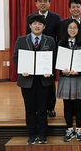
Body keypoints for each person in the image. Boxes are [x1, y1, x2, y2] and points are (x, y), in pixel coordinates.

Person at [13, 14, 57, 145]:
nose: (37, 26)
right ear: (30, 25)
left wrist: (49, 71)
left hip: (44, 80)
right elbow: (16, 57)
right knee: (30, 108)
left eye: (40, 24)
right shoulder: (21, 40)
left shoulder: (50, 40)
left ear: (44, 26)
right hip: (27, 80)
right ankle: (32, 134)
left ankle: (42, 134)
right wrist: (22, 69)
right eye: (34, 23)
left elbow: (54, 59)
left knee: (43, 108)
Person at [26, 0, 60, 117]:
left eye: (45, 1)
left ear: (49, 3)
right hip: (33, 56)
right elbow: (26, 37)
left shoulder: (56, 17)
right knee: (35, 83)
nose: (42, 3)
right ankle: (37, 107)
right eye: (40, 1)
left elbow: (59, 37)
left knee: (49, 83)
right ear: (36, 3)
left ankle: (50, 107)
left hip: (48, 56)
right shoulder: (31, 17)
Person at [58, 0, 81, 118]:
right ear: (69, 9)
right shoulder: (63, 23)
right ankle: (69, 110)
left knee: (79, 88)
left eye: (78, 7)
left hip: (80, 61)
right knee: (68, 89)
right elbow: (61, 42)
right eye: (73, 7)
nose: (76, 9)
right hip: (66, 60)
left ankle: (79, 110)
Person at [57, 19, 81, 142]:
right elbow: (57, 59)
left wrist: (79, 70)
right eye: (70, 27)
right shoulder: (61, 42)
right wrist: (61, 69)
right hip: (65, 77)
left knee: (79, 105)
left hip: (78, 77)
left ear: (78, 29)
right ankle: (70, 129)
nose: (72, 30)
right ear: (66, 29)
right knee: (67, 105)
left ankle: (79, 129)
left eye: (75, 27)